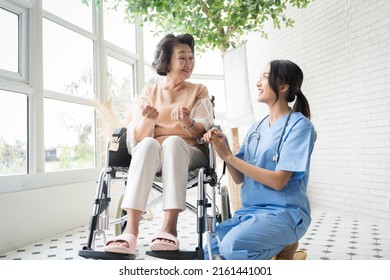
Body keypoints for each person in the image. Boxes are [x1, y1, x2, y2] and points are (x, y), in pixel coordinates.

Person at [104, 33, 214, 254]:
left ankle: (169, 228)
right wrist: (148, 120)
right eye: (182, 57)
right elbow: (137, 136)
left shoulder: (198, 90)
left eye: (191, 57)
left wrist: (188, 122)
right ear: (168, 61)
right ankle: (130, 232)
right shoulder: (150, 91)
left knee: (173, 142)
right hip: (155, 155)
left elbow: (203, 128)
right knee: (147, 145)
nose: (189, 62)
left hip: (190, 152)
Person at [203, 59, 316, 260]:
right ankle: (282, 251)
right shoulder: (257, 127)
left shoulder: (300, 127)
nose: (258, 83)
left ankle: (285, 245)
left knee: (232, 247)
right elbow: (239, 178)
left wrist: (229, 156)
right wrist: (223, 148)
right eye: (260, 77)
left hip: (285, 214)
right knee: (209, 251)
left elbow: (279, 181)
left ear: (283, 86)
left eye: (265, 77)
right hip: (251, 212)